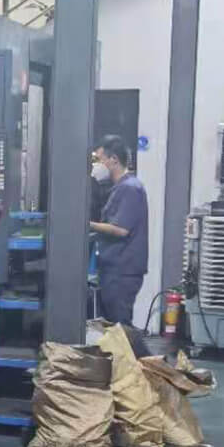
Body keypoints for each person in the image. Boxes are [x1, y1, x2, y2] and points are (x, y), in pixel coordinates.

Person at [88, 134, 148, 330]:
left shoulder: (130, 188)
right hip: (115, 268)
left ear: (113, 159)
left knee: (120, 328)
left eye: (99, 159)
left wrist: (86, 225)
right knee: (114, 328)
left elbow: (121, 230)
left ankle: (137, 351)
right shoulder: (120, 187)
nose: (96, 165)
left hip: (122, 270)